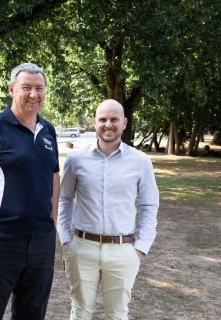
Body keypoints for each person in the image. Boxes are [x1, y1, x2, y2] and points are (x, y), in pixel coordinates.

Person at [0, 63, 60, 320]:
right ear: (11, 89)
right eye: (26, 87)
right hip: (1, 239)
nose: (33, 94)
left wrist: (51, 221)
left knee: (32, 312)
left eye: (39, 88)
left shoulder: (48, 130)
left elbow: (53, 176)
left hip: (41, 240)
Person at [57, 99, 159, 320]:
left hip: (123, 249)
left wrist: (140, 248)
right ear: (95, 122)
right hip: (82, 247)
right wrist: (66, 242)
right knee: (80, 312)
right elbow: (64, 200)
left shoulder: (140, 161)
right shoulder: (76, 159)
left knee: (117, 315)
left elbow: (149, 205)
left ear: (124, 122)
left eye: (114, 119)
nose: (108, 124)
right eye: (103, 119)